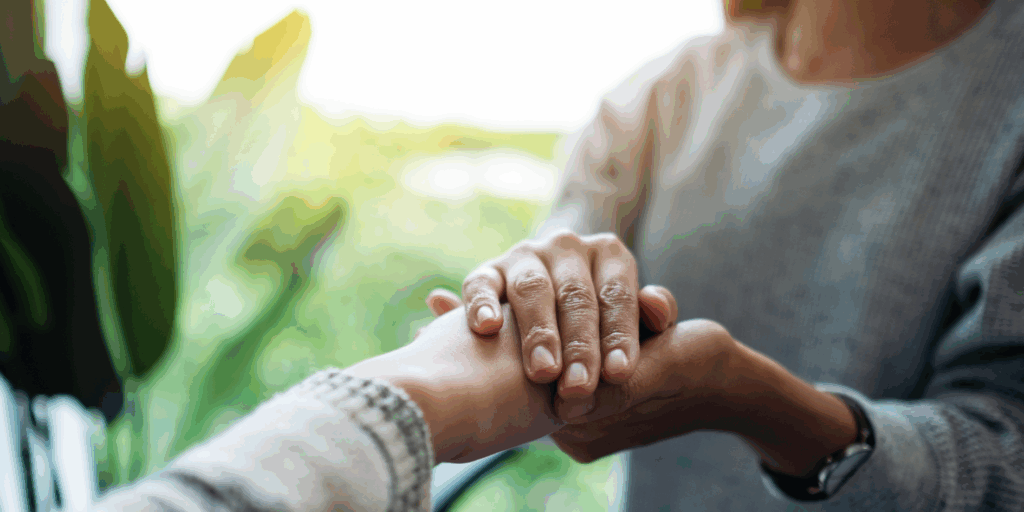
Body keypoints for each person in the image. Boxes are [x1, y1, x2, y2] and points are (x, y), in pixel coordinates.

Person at [426, 0, 1024, 509]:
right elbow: (558, 286)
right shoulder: (667, 94)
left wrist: (748, 398)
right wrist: (536, 304)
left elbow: (1007, 464)